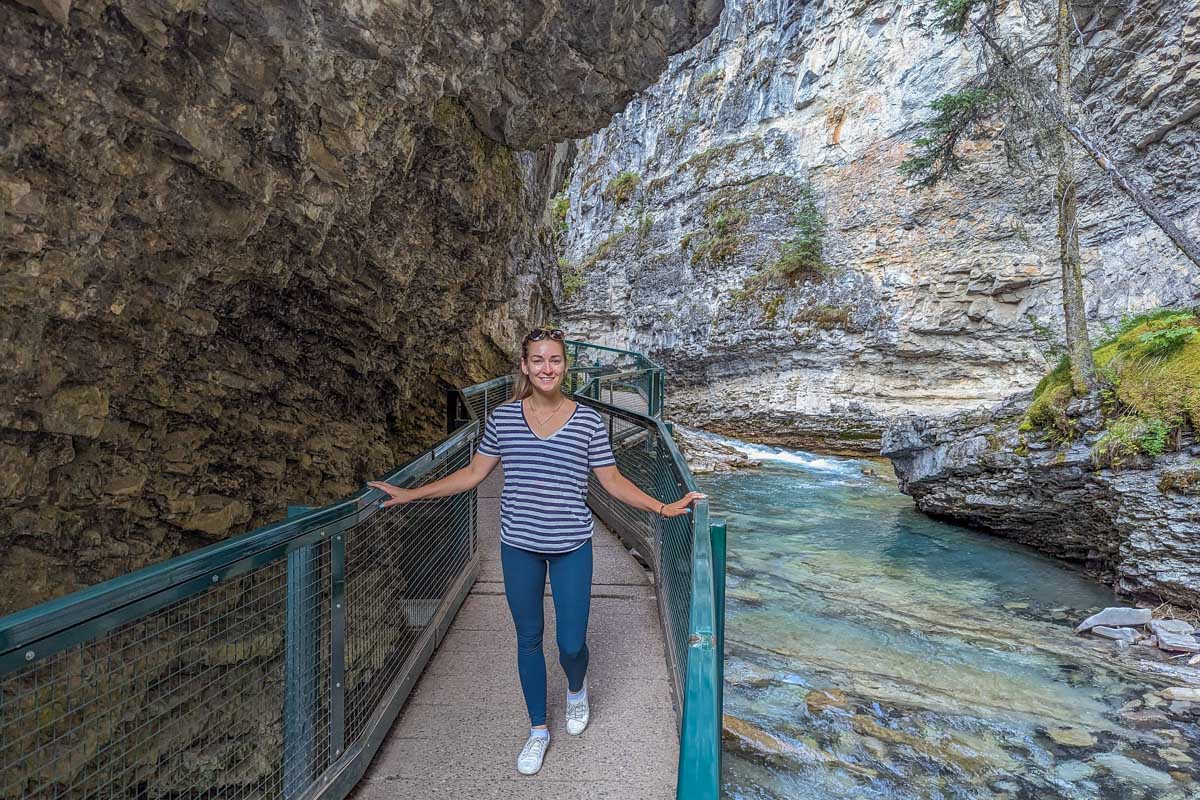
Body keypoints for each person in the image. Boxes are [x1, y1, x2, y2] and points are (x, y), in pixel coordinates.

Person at [368, 326, 703, 775]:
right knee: (528, 639)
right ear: (525, 366)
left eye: (556, 360)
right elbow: (472, 474)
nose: (548, 368)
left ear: (565, 366)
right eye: (539, 360)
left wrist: (661, 507)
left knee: (570, 643)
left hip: (572, 547)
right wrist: (412, 493)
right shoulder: (503, 419)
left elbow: (612, 481)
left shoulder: (586, 421)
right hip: (518, 547)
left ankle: (576, 689)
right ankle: (538, 731)